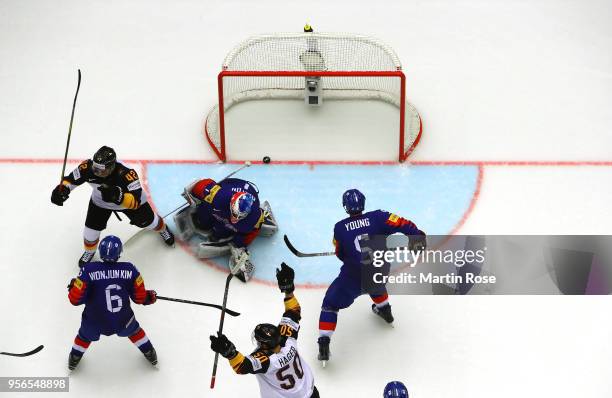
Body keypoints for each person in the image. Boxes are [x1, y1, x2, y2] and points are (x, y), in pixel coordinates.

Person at [317, 189, 426, 365]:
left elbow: (340, 254)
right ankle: (386, 312)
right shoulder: (379, 217)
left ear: (345, 207)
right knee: (375, 282)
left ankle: (324, 342)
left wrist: (353, 257)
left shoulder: (339, 228)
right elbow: (404, 224)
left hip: (353, 277)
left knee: (330, 305)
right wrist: (417, 236)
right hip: (380, 270)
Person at [51, 146, 174, 267]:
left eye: (101, 170)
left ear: (111, 167)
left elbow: (135, 201)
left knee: (150, 221)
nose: (96, 173)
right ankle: (89, 251)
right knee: (90, 232)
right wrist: (62, 189)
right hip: (100, 202)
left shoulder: (127, 173)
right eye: (95, 168)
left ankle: (163, 230)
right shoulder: (87, 167)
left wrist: (118, 196)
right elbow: (71, 179)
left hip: (129, 205)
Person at [210, 263, 319, 398]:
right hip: (311, 393)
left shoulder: (267, 360)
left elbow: (242, 366)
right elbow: (293, 311)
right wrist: (288, 290)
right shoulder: (288, 338)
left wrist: (229, 352)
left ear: (264, 344)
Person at [66, 235, 158, 370]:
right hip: (122, 319)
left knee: (84, 336)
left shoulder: (88, 269)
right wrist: (149, 297)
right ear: (119, 252)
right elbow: (139, 297)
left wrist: (75, 287)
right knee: (135, 331)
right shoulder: (130, 269)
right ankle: (149, 352)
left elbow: (75, 300)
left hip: (94, 320)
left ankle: (74, 358)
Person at [174, 177, 278, 282]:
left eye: (239, 216)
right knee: (204, 218)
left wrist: (241, 245)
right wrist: (192, 197)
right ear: (232, 202)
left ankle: (219, 230)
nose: (235, 218)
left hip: (236, 201)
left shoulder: (254, 217)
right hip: (228, 189)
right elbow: (200, 186)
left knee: (227, 233)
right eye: (235, 214)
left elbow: (252, 232)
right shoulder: (218, 195)